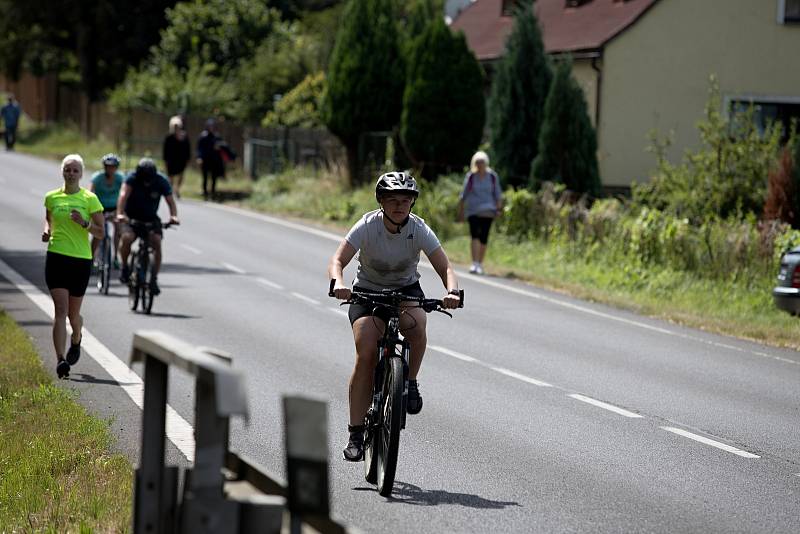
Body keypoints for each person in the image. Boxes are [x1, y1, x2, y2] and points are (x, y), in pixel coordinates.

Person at [328, 171, 461, 462]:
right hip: (367, 292)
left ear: (412, 203)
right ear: (381, 202)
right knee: (365, 353)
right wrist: (339, 283)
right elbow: (338, 260)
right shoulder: (367, 225)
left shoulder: (419, 228)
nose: (399, 205)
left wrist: (452, 291)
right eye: (392, 200)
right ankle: (355, 433)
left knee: (417, 325)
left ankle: (410, 381)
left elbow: (445, 267)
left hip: (405, 290)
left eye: (405, 200)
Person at [42, 154, 105, 378]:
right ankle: (60, 360)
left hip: (80, 260)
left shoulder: (90, 199)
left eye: (75, 170)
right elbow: (49, 218)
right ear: (62, 172)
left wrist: (84, 223)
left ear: (81, 174)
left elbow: (101, 232)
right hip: (56, 257)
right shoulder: (51, 197)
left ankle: (76, 337)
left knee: (72, 315)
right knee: (60, 310)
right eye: (67, 169)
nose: (71, 173)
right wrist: (47, 231)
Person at [116, 158, 179, 295]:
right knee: (127, 238)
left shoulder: (161, 180)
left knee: (156, 241)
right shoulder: (132, 178)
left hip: (150, 218)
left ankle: (154, 279)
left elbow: (170, 201)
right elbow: (123, 196)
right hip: (131, 217)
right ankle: (124, 266)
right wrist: (120, 214)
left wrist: (173, 216)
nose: (146, 181)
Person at [457, 151, 503, 275]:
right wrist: (461, 211)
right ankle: (475, 263)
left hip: (488, 211)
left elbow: (498, 194)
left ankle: (480, 263)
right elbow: (463, 195)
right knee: (475, 235)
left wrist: (498, 209)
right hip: (473, 211)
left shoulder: (493, 176)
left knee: (483, 238)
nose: (479, 164)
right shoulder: (471, 177)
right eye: (477, 162)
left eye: (481, 162)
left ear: (486, 163)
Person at [89, 153, 124, 267]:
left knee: (118, 230)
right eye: (108, 166)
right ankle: (91, 257)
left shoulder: (120, 178)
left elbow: (125, 193)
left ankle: (115, 257)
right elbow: (90, 193)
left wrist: (121, 211)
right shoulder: (97, 177)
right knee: (99, 233)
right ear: (104, 167)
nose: (111, 169)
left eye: (113, 167)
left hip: (114, 208)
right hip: (99, 208)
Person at [196, 118, 225, 200]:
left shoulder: (217, 137)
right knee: (205, 177)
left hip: (214, 160)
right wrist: (199, 157)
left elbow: (222, 148)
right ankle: (205, 193)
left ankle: (213, 193)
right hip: (205, 160)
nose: (211, 128)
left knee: (214, 177)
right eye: (210, 126)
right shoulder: (203, 136)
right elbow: (199, 148)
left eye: (212, 126)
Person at [163, 115, 191, 198]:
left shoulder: (184, 136)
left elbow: (188, 148)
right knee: (170, 176)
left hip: (181, 159)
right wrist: (165, 160)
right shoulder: (169, 137)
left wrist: (188, 158)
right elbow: (165, 149)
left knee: (181, 175)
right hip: (171, 160)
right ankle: (170, 189)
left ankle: (177, 189)